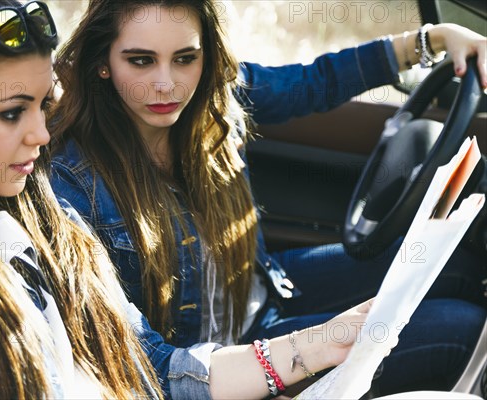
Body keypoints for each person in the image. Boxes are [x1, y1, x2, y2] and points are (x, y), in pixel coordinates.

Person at [0, 1, 383, 399]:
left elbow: (157, 369)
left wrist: (315, 347)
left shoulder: (54, 227)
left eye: (44, 106)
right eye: (12, 113)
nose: (41, 134)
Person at [50, 0, 487, 396]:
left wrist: (437, 39)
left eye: (185, 58)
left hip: (264, 290)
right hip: (224, 361)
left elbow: (315, 82)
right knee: (464, 326)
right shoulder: (71, 183)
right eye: (141, 61)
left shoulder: (218, 98)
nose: (166, 84)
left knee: (460, 263)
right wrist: (305, 349)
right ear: (103, 62)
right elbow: (142, 364)